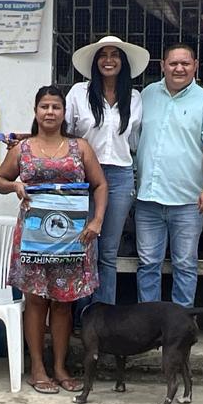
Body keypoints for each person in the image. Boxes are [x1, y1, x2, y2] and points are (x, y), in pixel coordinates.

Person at [0, 85, 107, 393]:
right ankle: (37, 368)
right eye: (44, 106)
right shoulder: (22, 149)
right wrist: (14, 186)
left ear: (63, 113)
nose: (50, 112)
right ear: (36, 111)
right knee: (35, 300)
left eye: (56, 107)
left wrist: (96, 221)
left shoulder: (80, 147)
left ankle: (59, 366)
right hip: (33, 237)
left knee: (63, 303)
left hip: (72, 237)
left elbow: (99, 185)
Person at [134, 42, 203, 307]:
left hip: (188, 201)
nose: (179, 68)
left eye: (185, 63)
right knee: (148, 264)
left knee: (184, 264)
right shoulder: (147, 95)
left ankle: (182, 322)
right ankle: (148, 322)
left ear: (195, 66)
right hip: (148, 199)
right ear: (163, 66)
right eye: (173, 63)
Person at [66, 35, 147, 307]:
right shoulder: (78, 93)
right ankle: (83, 314)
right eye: (103, 55)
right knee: (85, 246)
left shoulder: (134, 98)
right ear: (95, 61)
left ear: (123, 62)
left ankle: (105, 317)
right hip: (84, 176)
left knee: (109, 252)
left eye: (115, 55)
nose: (109, 60)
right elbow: (66, 134)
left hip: (121, 176)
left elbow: (134, 140)